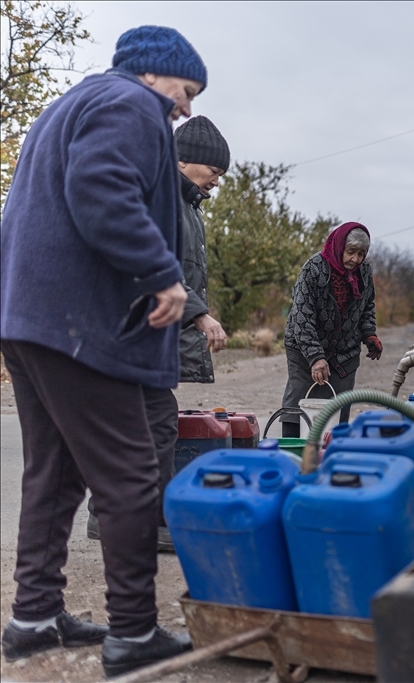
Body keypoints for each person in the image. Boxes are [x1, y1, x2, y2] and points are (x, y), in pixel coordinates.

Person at [0, 26, 206, 676]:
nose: (187, 109)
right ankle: (132, 630)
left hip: (28, 318)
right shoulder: (128, 104)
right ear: (156, 72)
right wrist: (160, 272)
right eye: (186, 91)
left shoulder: (74, 103)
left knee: (55, 472)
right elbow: (99, 189)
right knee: (130, 476)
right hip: (77, 323)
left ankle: (33, 617)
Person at [86, 115, 230, 552]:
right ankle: (137, 520)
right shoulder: (158, 196)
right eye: (214, 173)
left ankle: (116, 515)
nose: (217, 183)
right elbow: (151, 262)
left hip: (153, 334)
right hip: (130, 331)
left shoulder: (186, 206)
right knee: (151, 423)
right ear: (186, 161)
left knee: (145, 424)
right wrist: (200, 315)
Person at [280, 223, 382, 435]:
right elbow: (301, 317)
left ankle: (332, 452)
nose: (355, 259)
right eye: (351, 252)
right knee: (298, 396)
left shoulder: (364, 272)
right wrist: (316, 357)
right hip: (303, 344)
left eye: (361, 254)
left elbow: (367, 306)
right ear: (339, 246)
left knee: (339, 403)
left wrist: (369, 333)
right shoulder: (313, 268)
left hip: (345, 349)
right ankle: (291, 450)